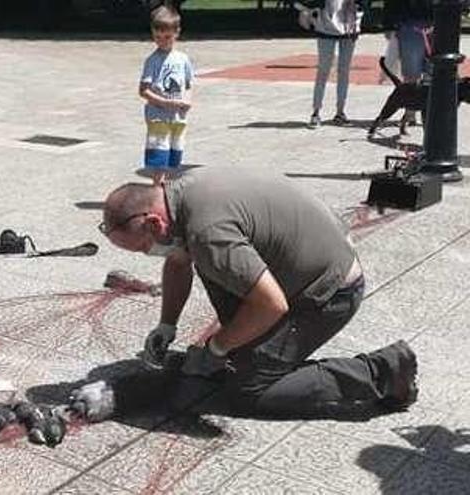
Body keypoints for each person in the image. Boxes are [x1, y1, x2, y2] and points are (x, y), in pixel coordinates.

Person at [81, 168, 417, 419]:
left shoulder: (208, 233)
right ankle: (246, 347)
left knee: (252, 390)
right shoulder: (181, 194)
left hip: (330, 291)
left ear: (155, 223)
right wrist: (166, 325)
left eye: (142, 248)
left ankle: (383, 370)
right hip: (305, 264)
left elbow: (272, 304)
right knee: (214, 274)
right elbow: (178, 262)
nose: (146, 254)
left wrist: (218, 345)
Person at [139, 5, 195, 185]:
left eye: (167, 37)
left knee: (174, 153)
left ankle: (168, 187)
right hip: (158, 116)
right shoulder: (152, 60)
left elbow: (188, 83)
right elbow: (143, 90)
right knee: (159, 154)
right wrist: (162, 102)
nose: (162, 41)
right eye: (157, 37)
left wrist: (187, 99)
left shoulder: (183, 59)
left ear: (177, 33)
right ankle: (157, 188)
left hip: (178, 116)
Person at [306, 0, 363, 128]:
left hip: (350, 28)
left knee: (344, 71)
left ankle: (340, 112)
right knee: (323, 70)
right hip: (325, 28)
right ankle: (316, 112)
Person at [382, 0, 434, 126]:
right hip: (410, 23)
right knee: (411, 71)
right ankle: (410, 112)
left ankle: (429, 111)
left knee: (432, 71)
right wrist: (389, 25)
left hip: (436, 21)